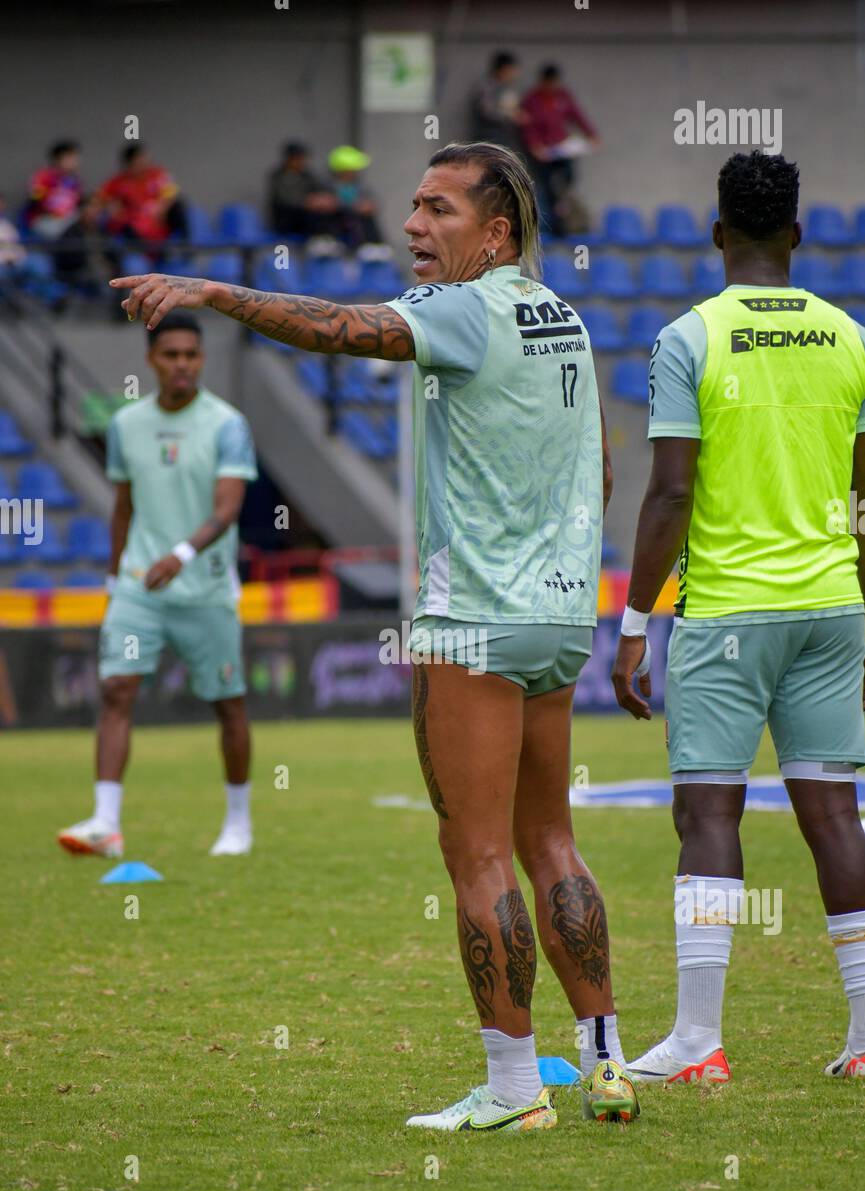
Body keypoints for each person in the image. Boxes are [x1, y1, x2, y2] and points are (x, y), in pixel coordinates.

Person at [108, 140, 639, 1132]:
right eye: (413, 206)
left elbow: (343, 328)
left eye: (438, 209)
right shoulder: (562, 316)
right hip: (560, 615)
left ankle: (515, 1089)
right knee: (551, 838)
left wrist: (214, 295)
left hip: (471, 619)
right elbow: (600, 468)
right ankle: (605, 1059)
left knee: (476, 856)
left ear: (497, 231)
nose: (412, 226)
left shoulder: (462, 308)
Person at [612, 150, 865, 1085]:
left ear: (716, 234)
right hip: (833, 605)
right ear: (798, 235)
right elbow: (863, 494)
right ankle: (862, 1038)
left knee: (709, 811)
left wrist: (635, 621)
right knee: (834, 815)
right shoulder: (850, 336)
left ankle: (697, 1041)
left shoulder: (688, 338)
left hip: (727, 613)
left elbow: (670, 494)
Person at [57, 311, 257, 860]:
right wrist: (113, 576)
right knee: (116, 690)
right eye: (171, 355)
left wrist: (182, 554)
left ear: (202, 359)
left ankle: (238, 822)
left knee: (228, 704)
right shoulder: (126, 426)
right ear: (151, 360)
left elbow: (227, 509)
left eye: (191, 355)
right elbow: (123, 508)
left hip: (206, 589)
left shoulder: (227, 424)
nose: (182, 365)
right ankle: (105, 823)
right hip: (138, 587)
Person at [520, 64, 599, 237]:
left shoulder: (563, 96)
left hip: (563, 150)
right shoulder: (532, 100)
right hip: (544, 154)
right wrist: (535, 146)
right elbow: (529, 127)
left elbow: (577, 115)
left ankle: (567, 216)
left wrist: (591, 134)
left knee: (567, 183)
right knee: (547, 189)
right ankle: (554, 227)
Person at [99, 143, 186, 244]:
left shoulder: (157, 174)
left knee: (180, 208)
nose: (146, 163)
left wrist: (163, 206)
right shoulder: (118, 181)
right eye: (140, 160)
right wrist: (111, 205)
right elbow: (101, 197)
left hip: (159, 223)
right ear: (130, 163)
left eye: (146, 159)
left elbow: (173, 194)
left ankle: (184, 246)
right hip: (135, 225)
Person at [267, 141, 337, 239]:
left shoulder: (307, 175)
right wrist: (308, 202)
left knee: (333, 212)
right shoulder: (278, 176)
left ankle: (329, 241)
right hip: (286, 217)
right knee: (311, 214)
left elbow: (320, 188)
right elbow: (286, 200)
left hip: (306, 213)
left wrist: (325, 199)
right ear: (289, 158)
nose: (301, 161)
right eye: (298, 158)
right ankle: (317, 241)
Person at [25, 141, 83, 240]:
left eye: (75, 157)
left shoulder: (74, 181)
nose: (75, 161)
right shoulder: (43, 177)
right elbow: (34, 200)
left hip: (68, 222)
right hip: (46, 221)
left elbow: (77, 204)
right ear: (58, 159)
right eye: (70, 157)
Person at [470, 52, 526, 152]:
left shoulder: (507, 87)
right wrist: (510, 116)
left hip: (505, 138)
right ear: (504, 69)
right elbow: (486, 111)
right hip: (489, 138)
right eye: (512, 70)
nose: (514, 74)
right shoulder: (487, 86)